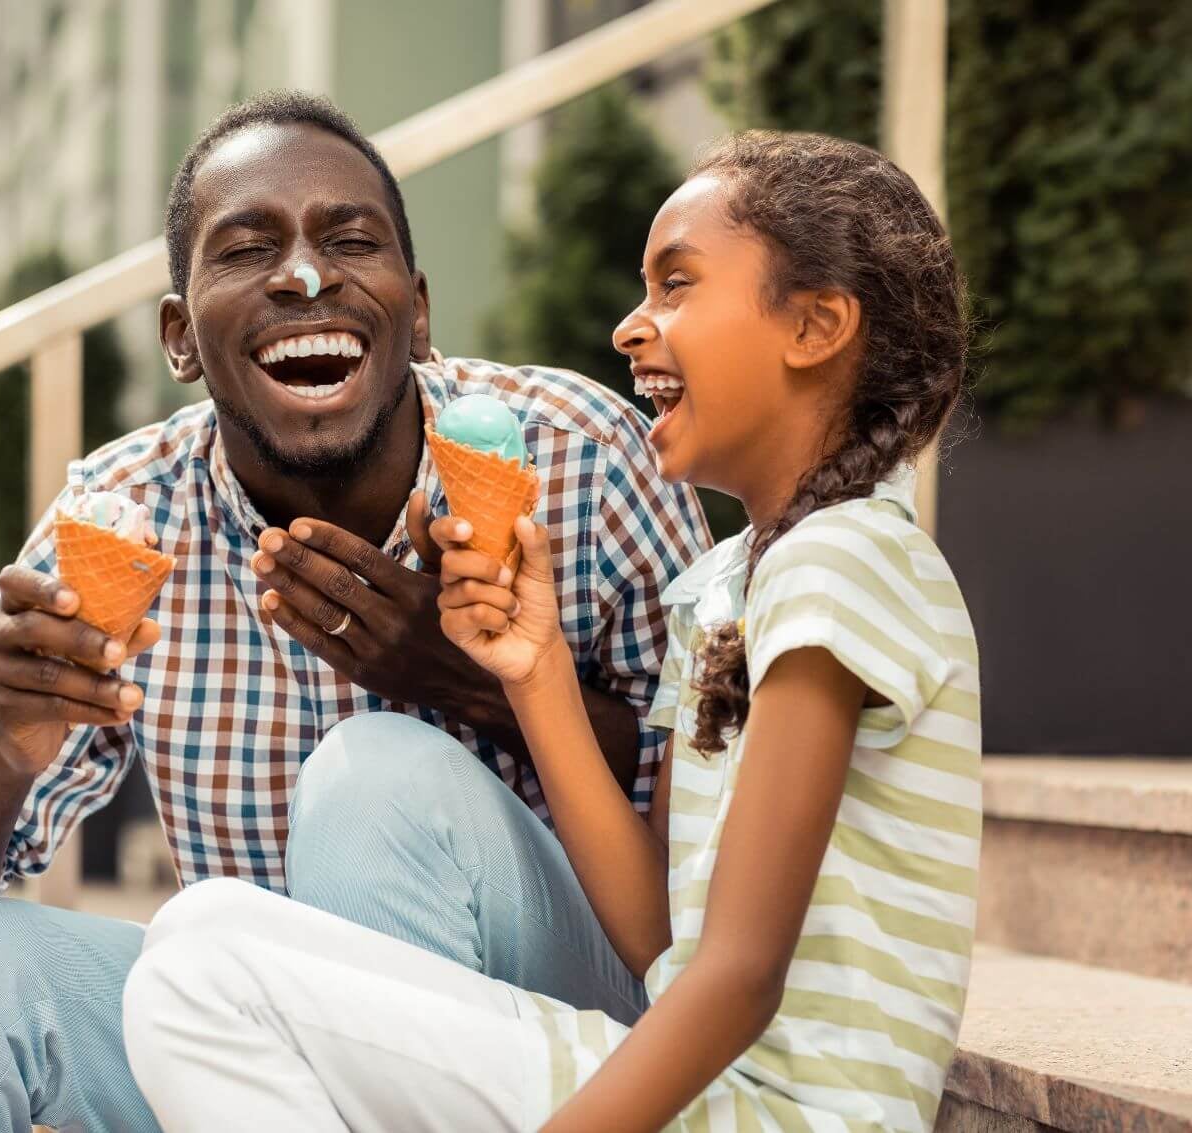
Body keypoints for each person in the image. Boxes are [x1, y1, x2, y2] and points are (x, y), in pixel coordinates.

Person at [0, 91, 710, 1133]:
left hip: (569, 1040)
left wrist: (469, 685)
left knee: (373, 772)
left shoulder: (579, 455)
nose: (304, 274)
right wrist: (6, 750)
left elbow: (723, 813)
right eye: (248, 248)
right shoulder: (125, 519)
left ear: (418, 309)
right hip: (241, 1051)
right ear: (178, 336)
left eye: (350, 239)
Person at [124, 130, 981, 1132]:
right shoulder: (724, 586)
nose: (631, 326)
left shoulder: (843, 563)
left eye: (677, 285)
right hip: (713, 1094)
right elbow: (666, 935)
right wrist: (530, 672)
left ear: (815, 325)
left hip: (785, 1114)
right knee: (204, 930)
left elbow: (740, 978)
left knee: (199, 975)